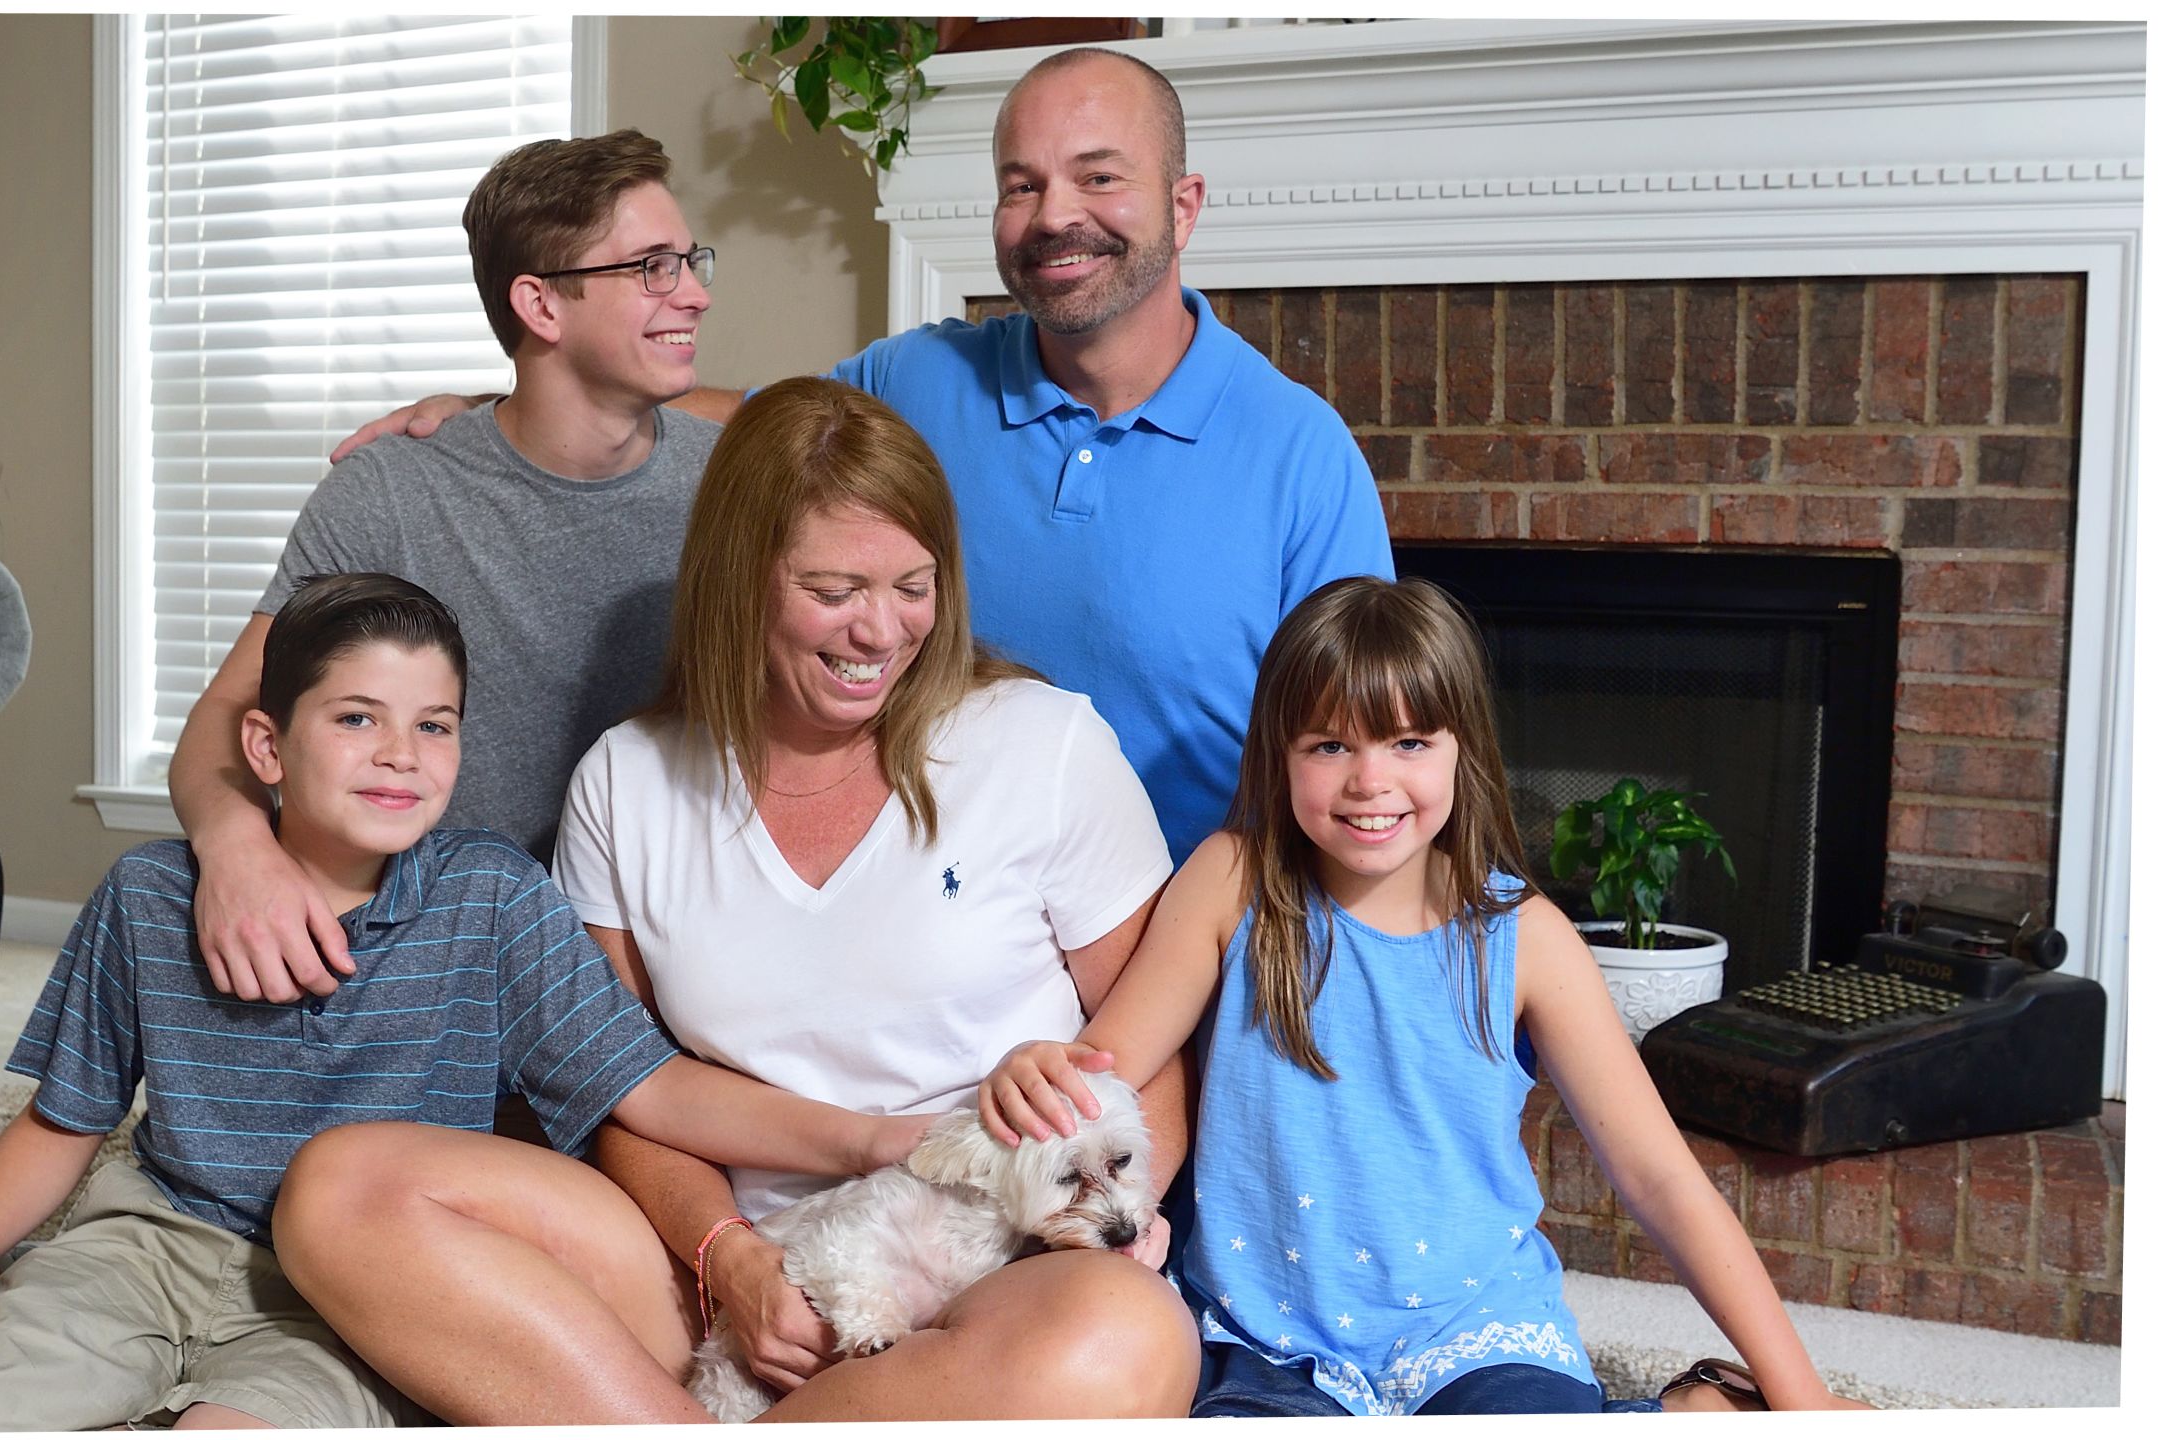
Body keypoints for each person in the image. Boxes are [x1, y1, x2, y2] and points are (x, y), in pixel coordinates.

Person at [0, 574, 926, 1434]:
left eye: (434, 725)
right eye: (358, 719)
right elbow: (61, 1121)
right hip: (150, 1246)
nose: (401, 754)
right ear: (266, 747)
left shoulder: (491, 900)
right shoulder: (147, 896)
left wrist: (869, 1138)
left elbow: (656, 1086)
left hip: (348, 1299)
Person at [273, 379, 1201, 1423]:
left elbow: (1147, 1049)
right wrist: (734, 1263)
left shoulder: (1044, 744)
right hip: (708, 1262)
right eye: (834, 588)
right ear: (740, 581)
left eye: (912, 585)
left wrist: (1118, 1211)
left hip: (996, 1258)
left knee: (1125, 1344)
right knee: (344, 1189)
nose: (881, 630)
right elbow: (615, 1091)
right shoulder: (626, 781)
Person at [329, 46, 1396, 870]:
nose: (1053, 215)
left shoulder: (1301, 456)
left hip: (1183, 950)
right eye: (1019, 185)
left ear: (1183, 202)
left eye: (1098, 176)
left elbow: (1358, 767)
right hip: (928, 932)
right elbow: (740, 422)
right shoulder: (919, 383)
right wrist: (507, 397)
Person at [975, 576, 1866, 1416]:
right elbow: (1103, 1076)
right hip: (1267, 1339)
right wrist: (1036, 1069)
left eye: (1409, 742)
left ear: (1461, 750)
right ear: (1279, 755)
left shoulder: (1530, 941)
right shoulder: (1233, 882)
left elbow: (1660, 1178)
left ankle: (1695, 1407)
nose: (1371, 781)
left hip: (1477, 1333)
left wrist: (1806, 1403)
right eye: (1330, 745)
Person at [169, 129, 721, 1009]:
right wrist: (236, 850)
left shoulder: (733, 483)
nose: (693, 293)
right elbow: (231, 719)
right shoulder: (390, 490)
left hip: (659, 952)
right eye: (653, 266)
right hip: (432, 962)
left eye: (691, 261)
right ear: (541, 306)